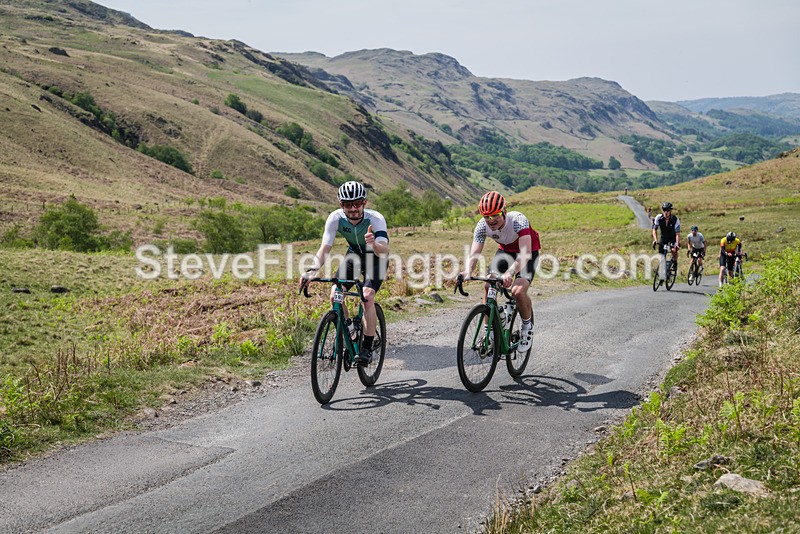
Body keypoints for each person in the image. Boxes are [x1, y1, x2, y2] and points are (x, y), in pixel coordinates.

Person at [301, 181, 389, 366]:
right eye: (348, 205)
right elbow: (325, 248)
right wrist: (312, 270)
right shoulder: (335, 218)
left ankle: (366, 348)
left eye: (357, 203)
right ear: (341, 205)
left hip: (377, 258)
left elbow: (384, 250)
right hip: (354, 256)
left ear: (364, 202)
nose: (353, 209)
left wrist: (373, 244)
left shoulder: (375, 219)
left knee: (367, 296)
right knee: (335, 295)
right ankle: (351, 330)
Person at [460, 191, 541, 353]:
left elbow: (524, 255)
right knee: (488, 284)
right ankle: (489, 332)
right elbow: (475, 253)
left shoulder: (518, 221)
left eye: (495, 215)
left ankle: (527, 326)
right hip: (505, 252)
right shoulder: (482, 226)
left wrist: (510, 273)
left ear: (504, 211)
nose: (491, 220)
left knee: (517, 291)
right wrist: (468, 271)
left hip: (527, 253)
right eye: (486, 216)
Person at [652, 201, 681, 285]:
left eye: (667, 210)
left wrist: (677, 244)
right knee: (661, 257)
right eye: (664, 210)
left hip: (672, 238)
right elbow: (654, 229)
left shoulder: (675, 219)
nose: (665, 212)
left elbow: (677, 234)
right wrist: (655, 240)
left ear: (670, 211)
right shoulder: (658, 218)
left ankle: (675, 262)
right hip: (663, 238)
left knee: (673, 250)